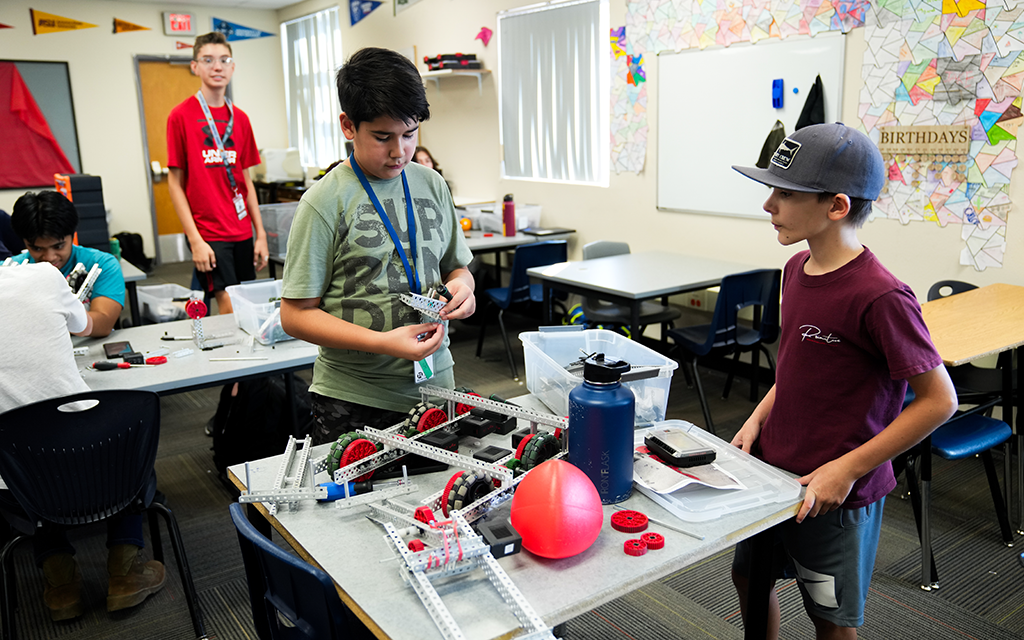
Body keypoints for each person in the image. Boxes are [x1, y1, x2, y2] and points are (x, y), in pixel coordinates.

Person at [729, 123, 958, 639]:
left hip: (835, 493)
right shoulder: (795, 268)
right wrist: (756, 419)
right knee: (750, 577)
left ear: (836, 206)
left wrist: (847, 470)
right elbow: (793, 366)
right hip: (776, 472)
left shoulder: (881, 297)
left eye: (785, 194)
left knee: (829, 617)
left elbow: (939, 401)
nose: (769, 205)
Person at [280, 47, 476, 446]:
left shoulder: (432, 184)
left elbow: (457, 267)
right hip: (355, 398)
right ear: (348, 126)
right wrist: (381, 343)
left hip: (437, 386)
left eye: (410, 134)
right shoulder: (324, 202)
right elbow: (295, 315)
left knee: (439, 502)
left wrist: (465, 290)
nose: (398, 151)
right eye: (383, 137)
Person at [0, 262, 164, 621]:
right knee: (122, 451)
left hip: (21, 486)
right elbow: (87, 326)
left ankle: (60, 585)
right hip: (98, 470)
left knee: (22, 455)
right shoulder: (44, 275)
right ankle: (124, 573)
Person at [167, 31, 268, 315]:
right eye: (208, 60)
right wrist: (195, 240)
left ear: (232, 67)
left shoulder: (242, 119)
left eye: (224, 60)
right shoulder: (180, 116)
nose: (217, 67)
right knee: (229, 304)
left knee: (247, 302)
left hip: (241, 229)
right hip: (209, 231)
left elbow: (245, 180)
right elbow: (174, 184)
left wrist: (259, 233)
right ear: (194, 66)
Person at [9, 191, 124, 337]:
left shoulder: (102, 265)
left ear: (73, 235)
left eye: (58, 246)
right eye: (37, 248)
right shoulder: (9, 271)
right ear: (24, 242)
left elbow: (103, 324)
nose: (49, 258)